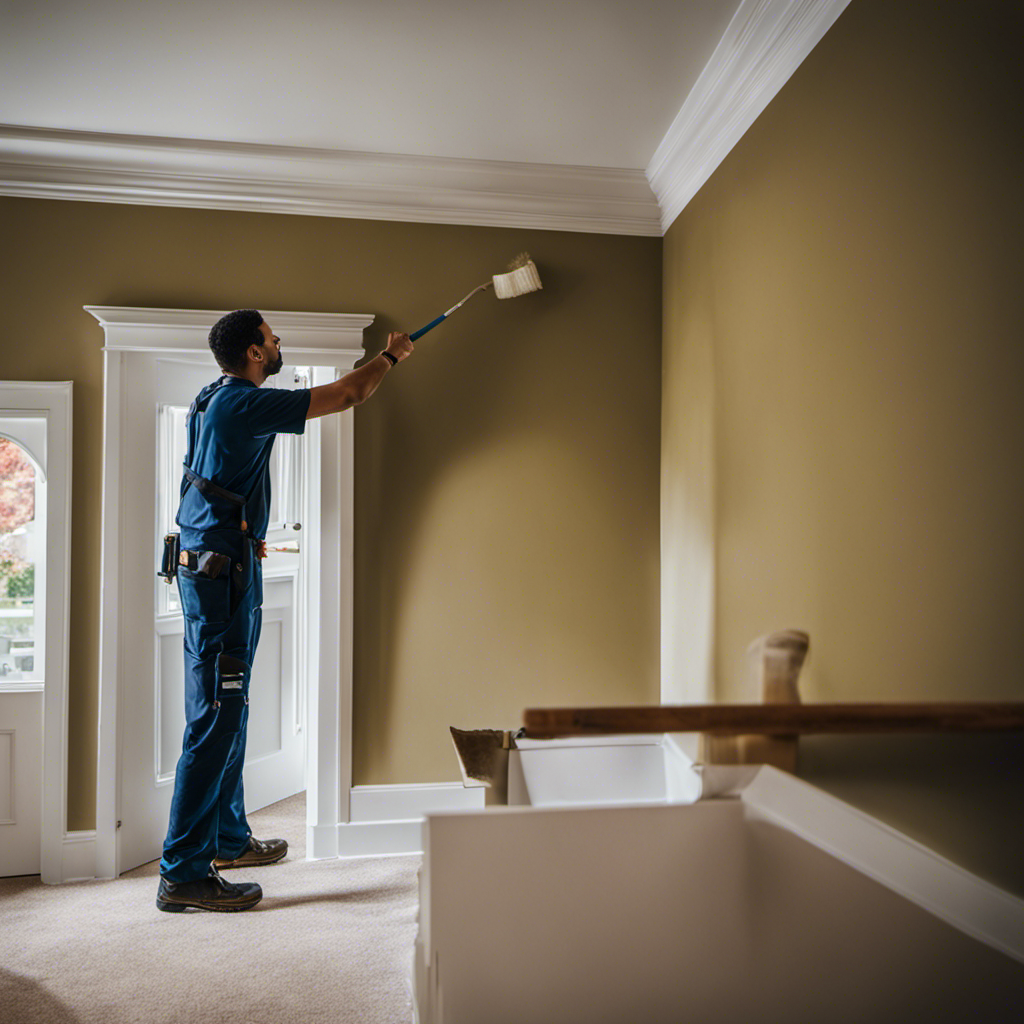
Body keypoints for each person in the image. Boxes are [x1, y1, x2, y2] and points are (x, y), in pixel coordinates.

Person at [156, 309, 414, 912]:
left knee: (231, 706)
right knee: (216, 716)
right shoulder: (241, 403)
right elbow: (349, 392)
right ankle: (181, 872)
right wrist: (393, 355)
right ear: (252, 352)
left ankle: (226, 838)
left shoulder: (213, 396)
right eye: (272, 340)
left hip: (222, 569)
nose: (279, 346)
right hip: (221, 579)